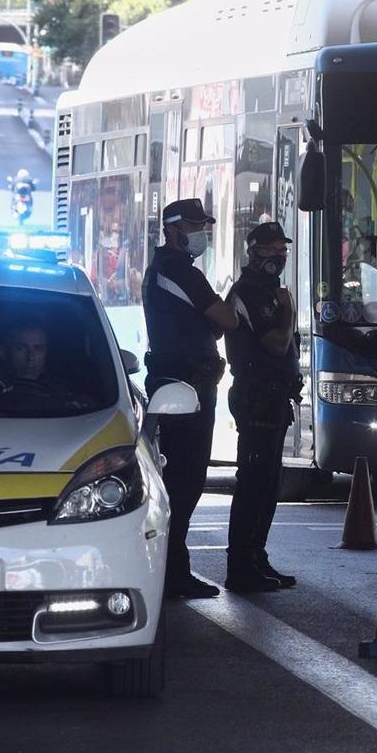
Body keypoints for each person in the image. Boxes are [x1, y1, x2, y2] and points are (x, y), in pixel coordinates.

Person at [142, 199, 239, 599]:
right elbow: (227, 321)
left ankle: (171, 568)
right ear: (173, 229)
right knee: (186, 480)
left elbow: (210, 326)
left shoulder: (163, 270)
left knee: (181, 479)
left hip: (178, 383)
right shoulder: (179, 270)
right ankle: (173, 571)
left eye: (203, 225)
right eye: (195, 226)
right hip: (187, 388)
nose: (202, 233)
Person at [223, 222, 303, 593]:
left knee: (268, 484)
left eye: (282, 250)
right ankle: (241, 564)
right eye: (270, 250)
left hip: (272, 397)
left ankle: (256, 558)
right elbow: (275, 344)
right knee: (254, 484)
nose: (278, 257)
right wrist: (288, 311)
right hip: (256, 396)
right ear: (253, 251)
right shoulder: (251, 292)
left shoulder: (269, 291)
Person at [0, 322, 70, 399]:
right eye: (21, 349)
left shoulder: (61, 393)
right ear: (4, 352)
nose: (30, 358)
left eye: (38, 348)